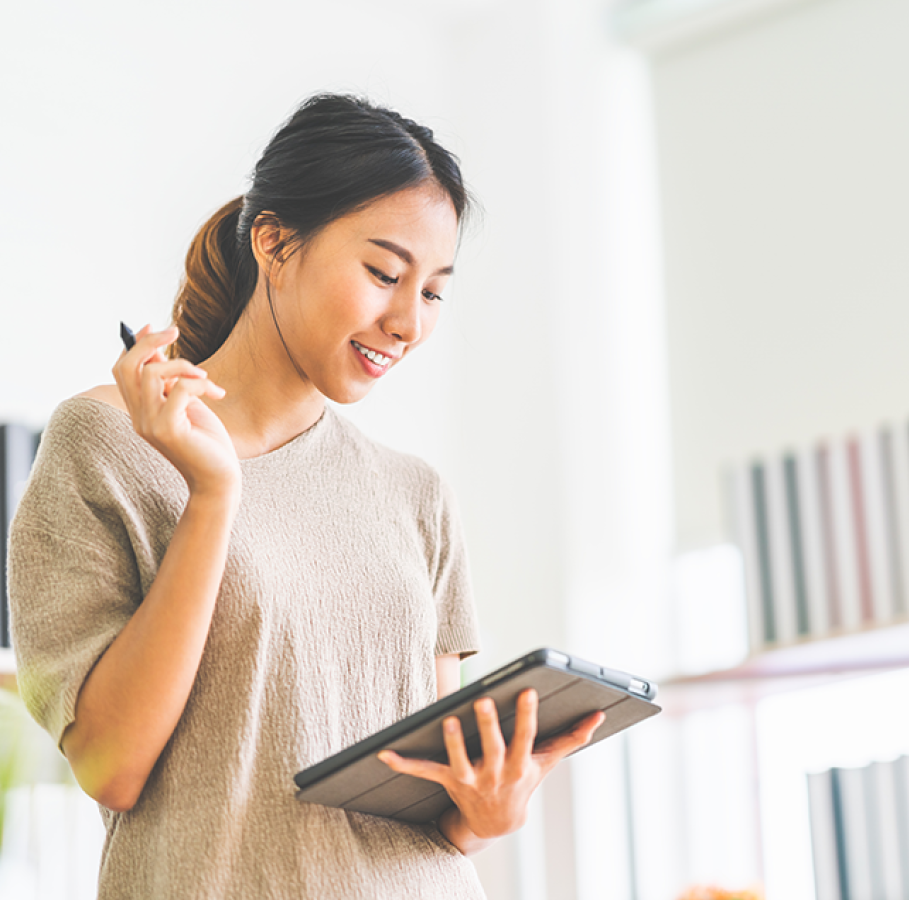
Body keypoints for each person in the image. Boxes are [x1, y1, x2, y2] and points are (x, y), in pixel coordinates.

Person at [7, 93, 603, 899]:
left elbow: (434, 802)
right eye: (384, 273)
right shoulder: (109, 443)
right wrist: (215, 494)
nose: (407, 322)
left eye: (432, 292)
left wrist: (487, 813)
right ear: (274, 241)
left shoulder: (414, 495)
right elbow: (111, 765)